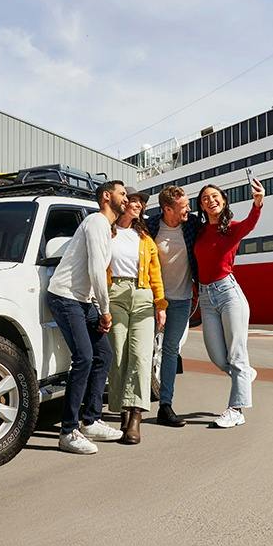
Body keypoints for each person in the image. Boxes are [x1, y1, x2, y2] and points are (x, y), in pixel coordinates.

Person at [46, 179, 130, 454]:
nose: (126, 198)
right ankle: (68, 431)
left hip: (83, 300)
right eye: (122, 194)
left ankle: (91, 421)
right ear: (106, 196)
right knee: (84, 357)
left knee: (103, 354)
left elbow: (94, 273)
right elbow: (96, 270)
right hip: (65, 297)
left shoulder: (105, 228)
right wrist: (104, 310)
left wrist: (96, 306)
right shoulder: (95, 222)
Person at [194, 177, 264, 429]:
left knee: (236, 354)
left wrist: (258, 203)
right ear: (201, 206)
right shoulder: (199, 231)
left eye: (215, 196)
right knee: (217, 356)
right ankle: (245, 373)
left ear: (223, 201)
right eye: (205, 198)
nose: (210, 201)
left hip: (228, 293)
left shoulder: (232, 228)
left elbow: (250, 223)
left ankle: (236, 410)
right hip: (206, 297)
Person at [106, 191, 167, 445]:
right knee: (119, 354)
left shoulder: (145, 239)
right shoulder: (107, 233)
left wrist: (160, 305)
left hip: (142, 294)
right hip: (114, 293)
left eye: (141, 203)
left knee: (141, 356)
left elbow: (155, 274)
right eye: (133, 200)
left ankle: (135, 417)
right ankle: (122, 410)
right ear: (122, 204)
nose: (138, 205)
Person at [143, 184, 198, 427]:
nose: (188, 209)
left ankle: (165, 405)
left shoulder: (192, 225)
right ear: (167, 209)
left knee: (170, 350)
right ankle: (132, 406)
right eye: (184, 206)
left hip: (181, 299)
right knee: (142, 350)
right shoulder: (151, 227)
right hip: (152, 299)